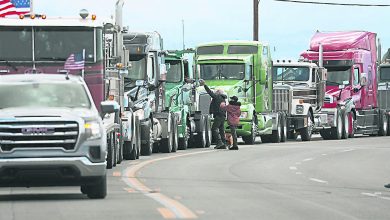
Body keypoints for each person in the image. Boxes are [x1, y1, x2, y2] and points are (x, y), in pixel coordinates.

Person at [199, 79, 227, 149]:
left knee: (214, 129)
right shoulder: (223, 99)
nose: (215, 92)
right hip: (222, 116)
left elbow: (209, 92)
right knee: (221, 130)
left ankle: (219, 142)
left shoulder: (217, 97)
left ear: (218, 93)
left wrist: (204, 85)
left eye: (216, 91)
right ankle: (224, 143)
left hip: (219, 116)